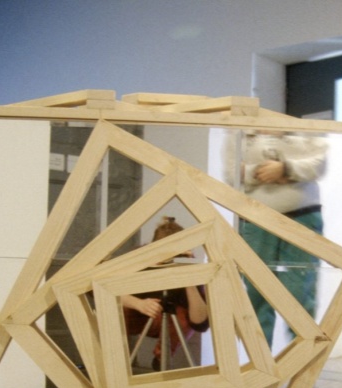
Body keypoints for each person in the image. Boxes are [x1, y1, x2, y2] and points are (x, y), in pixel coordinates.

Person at [226, 130, 328, 347]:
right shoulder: (242, 132)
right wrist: (268, 172)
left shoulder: (304, 129)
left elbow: (320, 164)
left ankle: (302, 372)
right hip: (256, 220)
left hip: (303, 218)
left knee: (300, 296)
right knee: (256, 295)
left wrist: (285, 169)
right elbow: (231, 173)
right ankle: (260, 372)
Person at [121, 217, 209, 370]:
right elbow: (100, 290)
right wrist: (138, 304)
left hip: (168, 321)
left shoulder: (186, 264)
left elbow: (200, 322)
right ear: (151, 250)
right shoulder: (137, 258)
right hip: (135, 314)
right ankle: (116, 365)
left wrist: (189, 278)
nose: (167, 262)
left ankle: (161, 357)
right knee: (115, 308)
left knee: (185, 313)